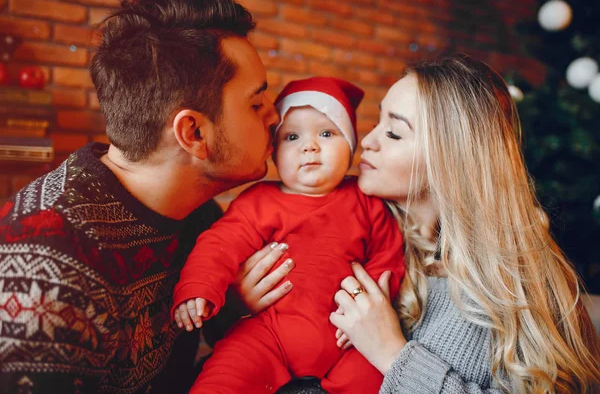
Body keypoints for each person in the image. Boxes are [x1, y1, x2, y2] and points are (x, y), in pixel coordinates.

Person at [241, 54, 600, 393]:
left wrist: (392, 355)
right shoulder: (354, 232)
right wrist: (241, 307)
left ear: (451, 159)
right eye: (378, 121)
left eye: (394, 133)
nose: (367, 141)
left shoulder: (514, 284)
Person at [0, 0, 291, 393]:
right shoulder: (45, 278)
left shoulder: (199, 215)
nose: (275, 115)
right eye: (256, 102)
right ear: (194, 134)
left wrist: (231, 308)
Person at [172, 77, 406, 393]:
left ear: (350, 147)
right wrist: (199, 285)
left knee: (375, 380)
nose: (309, 146)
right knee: (222, 378)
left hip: (349, 338)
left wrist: (370, 313)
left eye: (327, 133)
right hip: (268, 334)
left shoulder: (366, 200)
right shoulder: (259, 201)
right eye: (292, 136)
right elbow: (219, 244)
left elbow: (388, 258)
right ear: (275, 152)